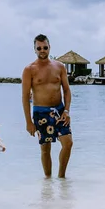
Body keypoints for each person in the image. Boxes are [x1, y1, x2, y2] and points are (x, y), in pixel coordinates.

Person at [22, 34, 73, 178]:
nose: (42, 50)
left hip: (59, 110)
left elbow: (67, 90)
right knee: (45, 149)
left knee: (68, 144)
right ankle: (48, 183)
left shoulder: (59, 66)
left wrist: (67, 111)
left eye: (45, 47)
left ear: (49, 47)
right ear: (35, 50)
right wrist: (28, 122)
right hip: (40, 112)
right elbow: (25, 97)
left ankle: (62, 178)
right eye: (39, 48)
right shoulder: (29, 70)